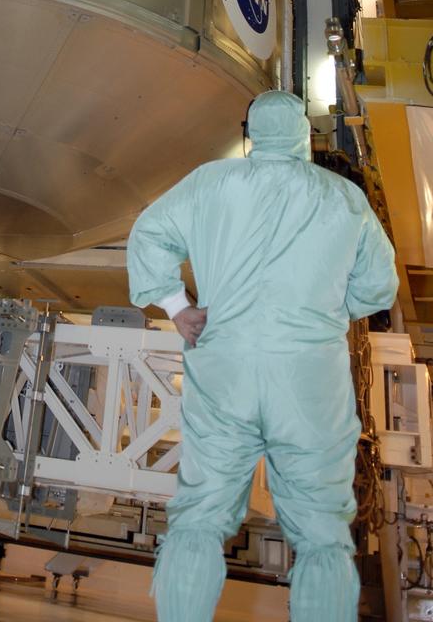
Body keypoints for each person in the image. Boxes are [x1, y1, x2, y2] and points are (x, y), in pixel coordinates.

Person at [127, 90, 398, 622]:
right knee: (323, 534)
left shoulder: (210, 183)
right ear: (304, 136)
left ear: (252, 132)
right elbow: (378, 288)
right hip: (309, 378)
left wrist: (179, 307)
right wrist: (327, 310)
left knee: (199, 518)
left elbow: (149, 234)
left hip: (224, 368)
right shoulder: (343, 198)